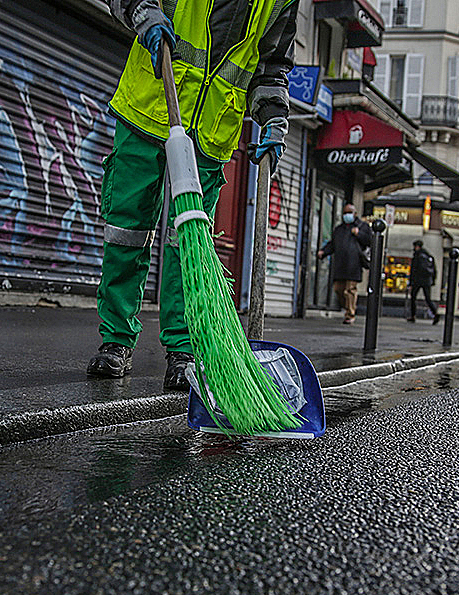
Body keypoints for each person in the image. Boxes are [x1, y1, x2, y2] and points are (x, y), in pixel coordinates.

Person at [86, 0, 297, 391]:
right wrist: (142, 13)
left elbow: (271, 67)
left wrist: (273, 115)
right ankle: (116, 340)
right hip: (148, 105)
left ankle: (183, 351)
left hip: (211, 131)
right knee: (126, 232)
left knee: (190, 244)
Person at [317, 204, 372, 325]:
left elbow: (370, 240)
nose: (347, 215)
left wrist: (359, 234)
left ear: (355, 214)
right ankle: (346, 308)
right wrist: (323, 252)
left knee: (350, 290)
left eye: (349, 212)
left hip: (354, 265)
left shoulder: (362, 227)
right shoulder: (340, 229)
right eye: (345, 213)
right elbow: (333, 244)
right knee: (339, 289)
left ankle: (350, 314)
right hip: (341, 265)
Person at [405, 239, 438, 324]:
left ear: (416, 247)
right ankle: (435, 313)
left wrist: (411, 282)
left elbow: (414, 270)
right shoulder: (429, 256)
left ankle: (413, 316)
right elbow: (434, 270)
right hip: (427, 281)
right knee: (428, 298)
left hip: (417, 280)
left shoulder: (417, 256)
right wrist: (433, 280)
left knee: (413, 297)